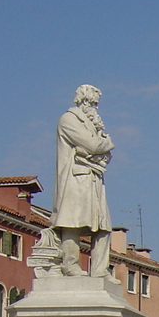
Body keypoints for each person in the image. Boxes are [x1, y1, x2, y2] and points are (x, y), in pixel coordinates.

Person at [51, 84, 115, 278]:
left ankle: (99, 270)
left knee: (104, 227)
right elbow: (94, 145)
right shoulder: (68, 120)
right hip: (74, 180)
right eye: (93, 103)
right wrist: (105, 143)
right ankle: (70, 266)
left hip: (93, 180)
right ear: (84, 101)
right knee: (72, 222)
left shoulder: (91, 125)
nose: (95, 108)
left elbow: (102, 154)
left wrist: (97, 149)